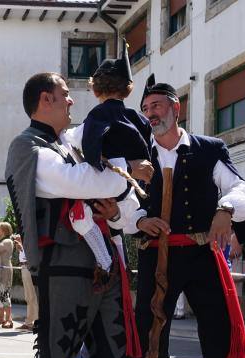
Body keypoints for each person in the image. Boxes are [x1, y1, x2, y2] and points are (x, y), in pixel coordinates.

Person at [6, 72, 171, 358]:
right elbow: (78, 182)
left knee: (114, 344)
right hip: (61, 265)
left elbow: (102, 200)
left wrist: (115, 210)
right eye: (65, 95)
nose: (72, 102)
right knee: (57, 346)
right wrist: (126, 174)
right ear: (45, 99)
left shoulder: (70, 144)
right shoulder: (27, 146)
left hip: (102, 262)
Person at [130, 76, 245, 358]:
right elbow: (120, 200)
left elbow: (242, 189)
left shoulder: (209, 148)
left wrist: (225, 209)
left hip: (202, 252)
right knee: (152, 326)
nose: (150, 113)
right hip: (155, 255)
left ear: (176, 109)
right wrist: (140, 219)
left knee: (218, 325)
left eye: (157, 106)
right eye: (145, 108)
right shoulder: (138, 153)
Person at [70, 40, 152, 281]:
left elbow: (84, 141)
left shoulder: (97, 115)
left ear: (96, 89)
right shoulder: (138, 118)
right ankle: (119, 262)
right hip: (130, 189)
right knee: (117, 225)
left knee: (78, 217)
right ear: (127, 88)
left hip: (105, 181)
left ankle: (104, 259)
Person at [14, 234, 37, 331]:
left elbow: (31, 254)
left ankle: (34, 322)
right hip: (25, 267)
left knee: (32, 296)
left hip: (29, 267)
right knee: (29, 296)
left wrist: (21, 247)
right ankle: (29, 322)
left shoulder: (30, 239)